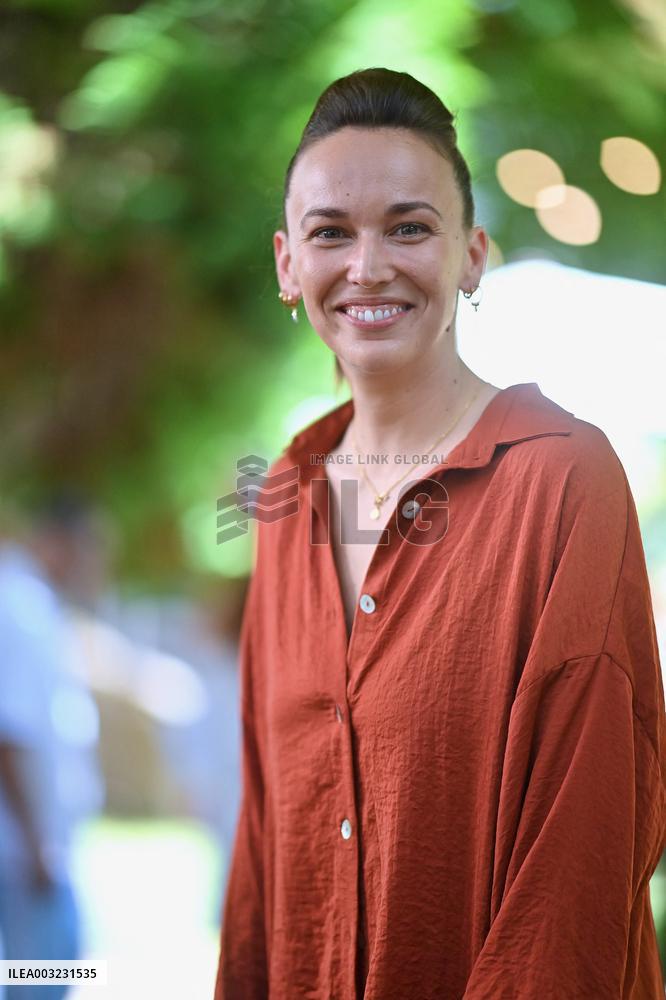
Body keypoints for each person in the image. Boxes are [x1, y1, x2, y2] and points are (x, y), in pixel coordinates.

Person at [213, 67, 666, 999]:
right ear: (287, 266)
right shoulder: (288, 495)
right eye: (330, 232)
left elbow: (577, 866)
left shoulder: (563, 479)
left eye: (410, 227)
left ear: (472, 255)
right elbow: (266, 843)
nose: (368, 266)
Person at [0, 494, 106, 999]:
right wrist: (36, 842)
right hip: (24, 851)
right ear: (59, 541)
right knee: (42, 981)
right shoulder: (19, 606)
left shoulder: (32, 603)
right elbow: (8, 733)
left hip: (33, 845)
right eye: (91, 548)